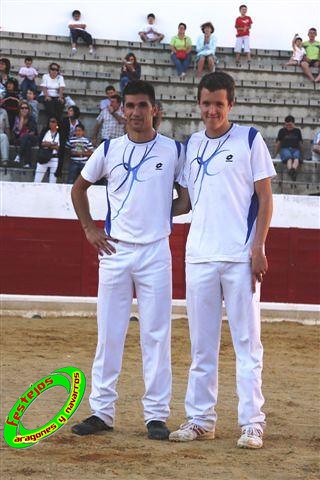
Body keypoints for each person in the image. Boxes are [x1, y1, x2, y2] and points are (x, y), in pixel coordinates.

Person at [70, 80, 184, 440]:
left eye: (142, 106)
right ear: (123, 111)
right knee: (109, 332)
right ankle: (101, 411)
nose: (135, 113)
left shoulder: (173, 150)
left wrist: (161, 215)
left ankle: (156, 415)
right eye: (130, 106)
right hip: (115, 250)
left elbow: (189, 197)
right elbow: (78, 188)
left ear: (155, 110)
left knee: (156, 333)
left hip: (155, 251)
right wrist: (90, 230)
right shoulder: (109, 148)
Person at [169, 72, 276, 449]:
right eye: (206, 103)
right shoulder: (193, 144)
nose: (212, 110)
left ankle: (252, 422)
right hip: (199, 256)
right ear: (198, 104)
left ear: (230, 104)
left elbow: (265, 198)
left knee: (248, 343)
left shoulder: (249, 139)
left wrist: (259, 247)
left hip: (239, 257)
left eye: (219, 103)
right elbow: (186, 202)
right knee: (201, 345)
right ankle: (200, 420)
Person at [275, 115, 303, 181]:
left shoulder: (297, 131)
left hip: (295, 149)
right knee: (289, 158)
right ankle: (292, 171)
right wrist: (276, 153)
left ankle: (292, 171)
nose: (288, 127)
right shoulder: (282, 131)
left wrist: (302, 153)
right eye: (286, 125)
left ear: (293, 124)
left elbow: (300, 143)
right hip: (285, 149)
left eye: (290, 125)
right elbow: (278, 143)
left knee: (296, 158)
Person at [34, 117, 60, 183]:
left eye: (53, 121)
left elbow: (59, 147)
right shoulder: (45, 132)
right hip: (43, 157)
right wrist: (52, 144)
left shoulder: (60, 134)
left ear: (57, 123)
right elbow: (41, 144)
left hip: (55, 158)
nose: (51, 123)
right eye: (50, 121)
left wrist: (47, 144)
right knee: (37, 180)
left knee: (53, 182)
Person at [12, 100, 38, 168]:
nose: (24, 109)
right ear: (19, 109)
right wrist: (22, 118)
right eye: (22, 108)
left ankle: (19, 155)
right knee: (27, 142)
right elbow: (17, 131)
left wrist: (26, 134)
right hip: (20, 139)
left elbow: (33, 132)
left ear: (28, 110)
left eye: (26, 108)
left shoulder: (32, 118)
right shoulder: (17, 118)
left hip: (32, 138)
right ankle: (27, 163)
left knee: (26, 136)